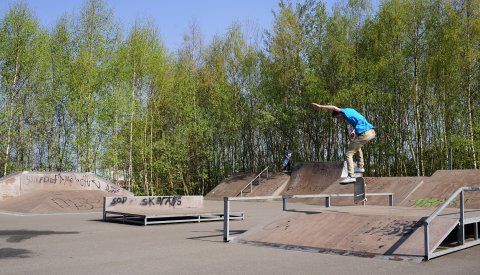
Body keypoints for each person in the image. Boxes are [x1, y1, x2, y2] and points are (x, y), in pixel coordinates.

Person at [311, 103, 376, 183]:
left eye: (338, 117)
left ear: (339, 114)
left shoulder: (344, 112)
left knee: (348, 153)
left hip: (365, 133)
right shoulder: (351, 110)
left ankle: (351, 176)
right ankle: (360, 166)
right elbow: (359, 120)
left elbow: (334, 107)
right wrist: (354, 131)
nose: (339, 119)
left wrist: (320, 106)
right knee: (356, 146)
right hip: (370, 132)